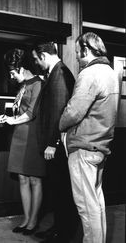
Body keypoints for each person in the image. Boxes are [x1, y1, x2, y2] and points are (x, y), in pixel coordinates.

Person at [59, 32, 120, 243]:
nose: (76, 57)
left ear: (86, 49)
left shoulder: (89, 73)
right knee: (97, 203)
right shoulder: (111, 73)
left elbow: (74, 112)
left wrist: (60, 124)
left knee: (86, 207)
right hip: (101, 146)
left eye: (77, 52)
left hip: (84, 148)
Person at [31, 42, 79, 243]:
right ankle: (58, 229)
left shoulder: (59, 74)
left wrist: (52, 142)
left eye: (35, 58)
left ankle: (63, 234)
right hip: (56, 144)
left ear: (43, 55)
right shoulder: (56, 72)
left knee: (62, 191)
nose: (35, 62)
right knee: (57, 190)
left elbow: (59, 111)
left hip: (56, 145)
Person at [0, 48, 45, 236]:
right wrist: (8, 116)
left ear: (23, 68)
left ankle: (34, 221)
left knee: (35, 179)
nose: (11, 76)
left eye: (12, 72)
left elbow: (32, 112)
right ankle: (26, 219)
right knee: (22, 178)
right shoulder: (23, 84)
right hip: (19, 134)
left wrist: (13, 120)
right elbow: (20, 108)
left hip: (33, 135)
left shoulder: (38, 84)